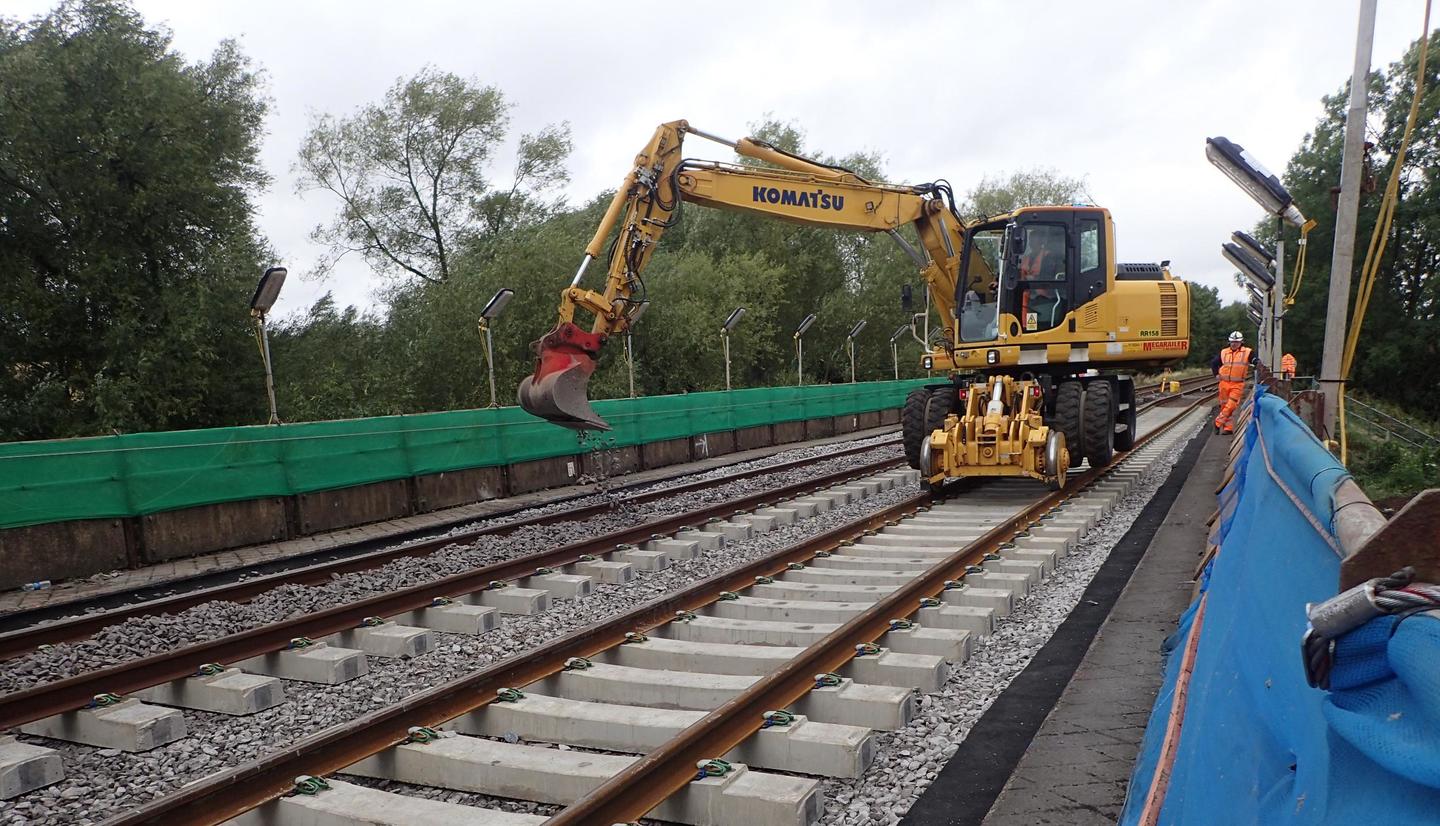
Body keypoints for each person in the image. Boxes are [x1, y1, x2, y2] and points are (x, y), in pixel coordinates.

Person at [1211, 331, 1257, 434]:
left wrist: (1256, 362)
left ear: (1241, 342)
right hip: (1224, 383)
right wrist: (1216, 374)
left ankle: (1217, 422)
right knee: (1224, 406)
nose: (1234, 344)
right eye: (1232, 342)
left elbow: (1254, 359)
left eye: (1236, 342)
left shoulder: (1247, 352)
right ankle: (1228, 428)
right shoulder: (1224, 352)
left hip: (1237, 384)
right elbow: (1214, 363)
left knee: (1231, 405)